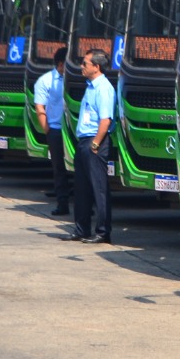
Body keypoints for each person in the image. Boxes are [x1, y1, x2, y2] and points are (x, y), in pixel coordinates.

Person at [65, 49, 115, 244]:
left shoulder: (104, 88)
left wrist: (95, 143)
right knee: (81, 188)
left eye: (85, 63)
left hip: (95, 141)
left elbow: (106, 120)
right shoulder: (91, 86)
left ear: (97, 67)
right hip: (84, 140)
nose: (81, 66)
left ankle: (103, 232)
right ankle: (81, 229)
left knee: (98, 188)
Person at [32, 47, 71, 215]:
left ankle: (85, 206)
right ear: (61, 64)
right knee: (59, 169)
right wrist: (47, 130)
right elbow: (39, 107)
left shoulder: (78, 79)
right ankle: (62, 204)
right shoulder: (45, 81)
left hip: (74, 130)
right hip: (56, 130)